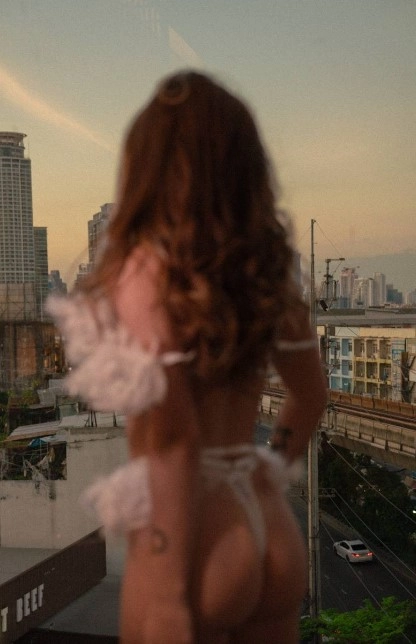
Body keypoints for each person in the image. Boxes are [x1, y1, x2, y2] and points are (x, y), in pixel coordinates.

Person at [48, 70, 327, 643]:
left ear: (147, 166)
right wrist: (270, 470)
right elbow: (310, 394)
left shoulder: (148, 273)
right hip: (268, 521)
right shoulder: (268, 271)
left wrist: (168, 595)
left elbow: (174, 439)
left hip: (193, 539)